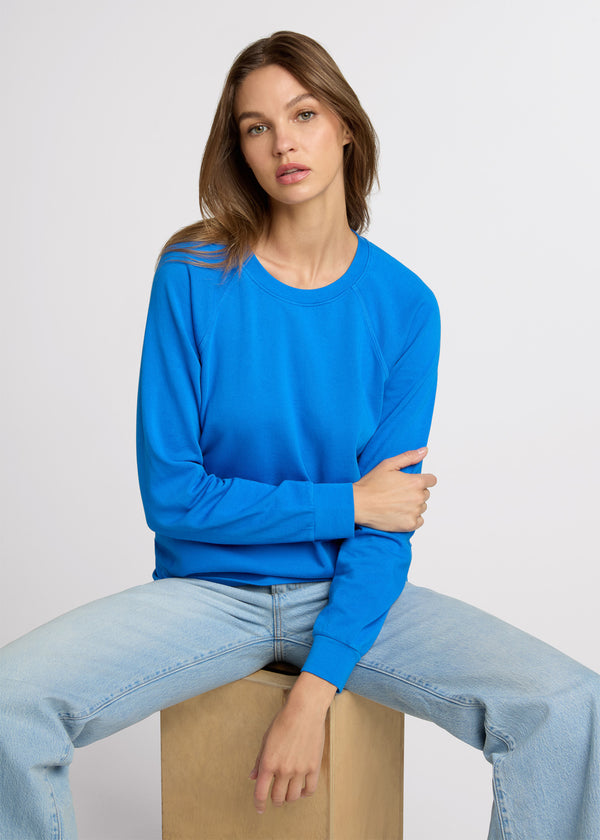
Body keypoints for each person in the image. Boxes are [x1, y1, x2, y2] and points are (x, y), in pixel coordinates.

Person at [0, 30, 598, 840]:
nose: (283, 142)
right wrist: (346, 501)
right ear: (238, 149)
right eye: (255, 126)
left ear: (345, 126)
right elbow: (175, 498)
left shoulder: (404, 307)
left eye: (304, 113)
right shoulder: (194, 273)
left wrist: (317, 689)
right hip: (208, 593)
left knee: (565, 706)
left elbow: (387, 532)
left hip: (350, 594)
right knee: (10, 702)